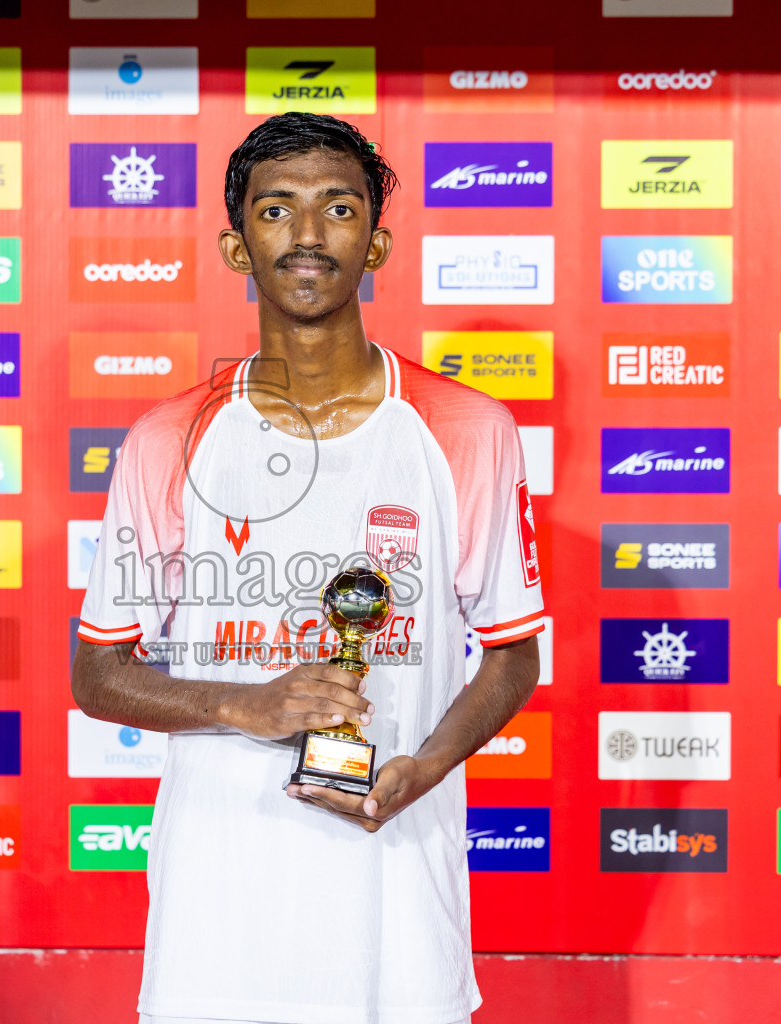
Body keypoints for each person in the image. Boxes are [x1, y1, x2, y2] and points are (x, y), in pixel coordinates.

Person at [71, 111, 545, 1024]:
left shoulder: (468, 430)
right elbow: (97, 672)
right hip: (222, 902)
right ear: (236, 245)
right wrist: (234, 703)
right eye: (276, 210)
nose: (308, 235)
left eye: (338, 208)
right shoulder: (169, 438)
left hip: (398, 886)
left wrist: (429, 764)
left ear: (376, 241)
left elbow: (512, 653)